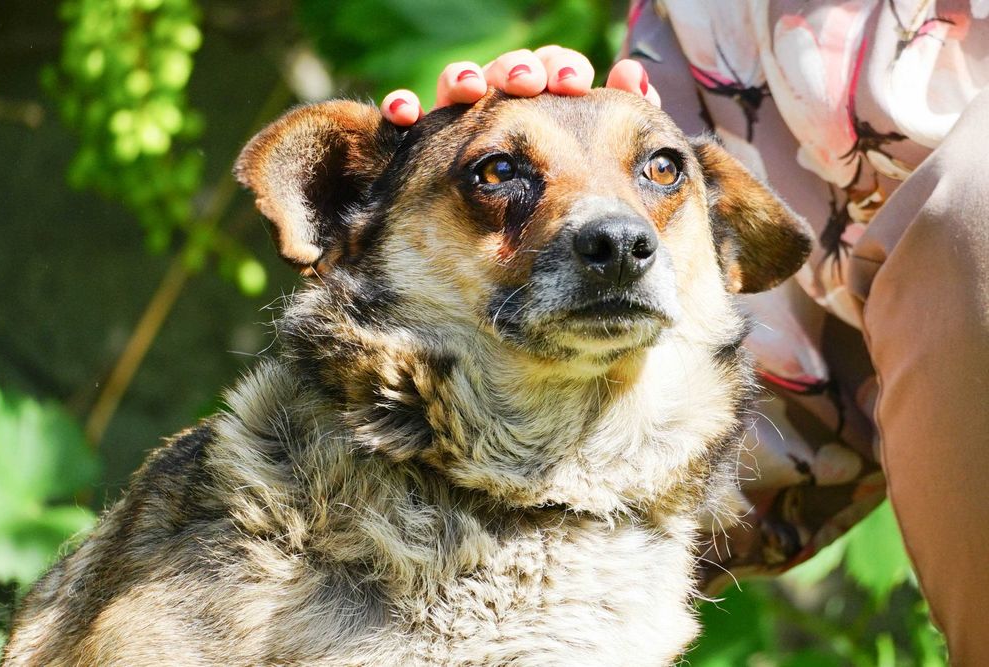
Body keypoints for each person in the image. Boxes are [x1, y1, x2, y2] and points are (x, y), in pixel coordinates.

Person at [376, 3, 989, 663]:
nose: (618, 231)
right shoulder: (708, 28)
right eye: (499, 174)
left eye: (660, 171)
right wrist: (420, 188)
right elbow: (739, 436)